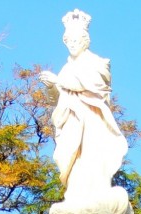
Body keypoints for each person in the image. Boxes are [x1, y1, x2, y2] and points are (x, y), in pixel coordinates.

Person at [40, 9, 127, 204]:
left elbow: (94, 85)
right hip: (71, 121)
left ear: (85, 40)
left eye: (76, 40)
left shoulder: (98, 63)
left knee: (92, 158)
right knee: (74, 163)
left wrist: (59, 81)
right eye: (68, 41)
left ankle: (96, 198)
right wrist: (52, 87)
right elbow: (57, 99)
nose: (72, 44)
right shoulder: (66, 68)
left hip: (91, 120)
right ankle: (76, 197)